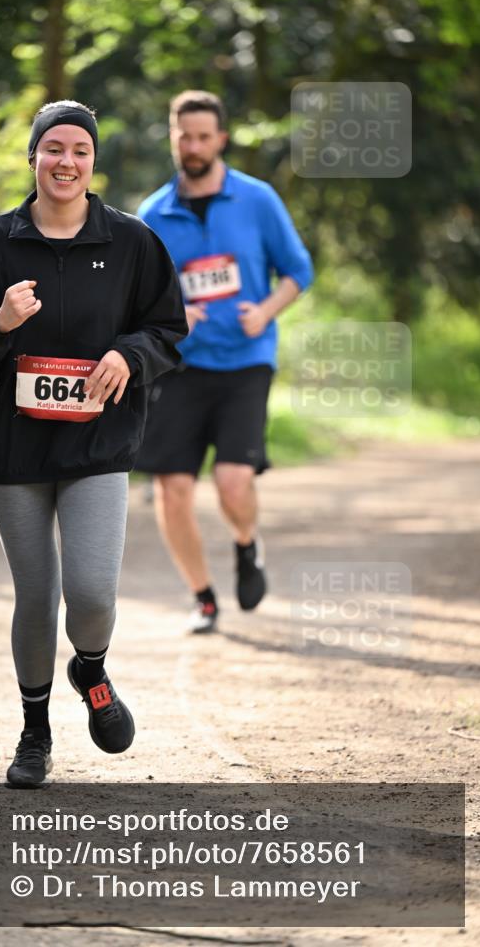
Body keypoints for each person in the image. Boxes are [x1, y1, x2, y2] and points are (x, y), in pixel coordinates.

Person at [0, 100, 187, 788]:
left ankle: (92, 668)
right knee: (37, 593)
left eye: (79, 150)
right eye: (53, 149)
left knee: (92, 592)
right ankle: (34, 731)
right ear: (32, 158)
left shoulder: (132, 243)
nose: (65, 162)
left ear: (92, 161)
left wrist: (130, 355)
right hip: (15, 449)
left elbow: (169, 330)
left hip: (98, 444)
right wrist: (0, 322)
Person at [136, 90, 313, 634]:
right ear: (172, 137)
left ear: (221, 140)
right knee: (173, 487)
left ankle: (245, 542)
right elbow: (137, 296)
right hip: (180, 368)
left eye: (203, 137)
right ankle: (203, 597)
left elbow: (298, 271)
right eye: (183, 136)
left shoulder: (257, 200)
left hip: (245, 361)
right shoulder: (151, 214)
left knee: (234, 481)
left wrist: (264, 311)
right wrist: (173, 314)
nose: (192, 146)